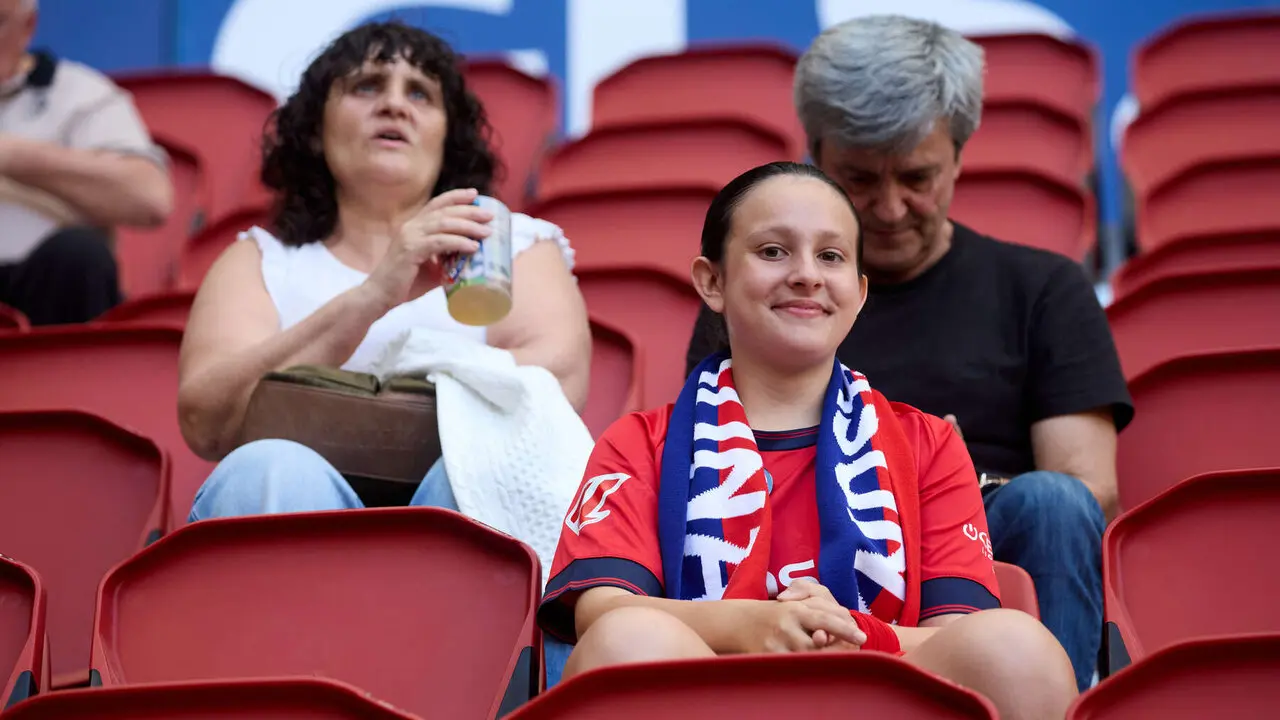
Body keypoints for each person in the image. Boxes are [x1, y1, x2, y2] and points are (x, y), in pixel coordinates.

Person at [685, 15, 1131, 690]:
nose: (890, 209)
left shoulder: (1043, 287)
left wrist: (939, 483)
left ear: (960, 156)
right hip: (794, 535)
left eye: (917, 177)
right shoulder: (764, 297)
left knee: (1053, 504)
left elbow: (1088, 487)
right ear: (815, 156)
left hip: (975, 534)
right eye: (859, 180)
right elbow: (708, 460)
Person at [542, 162, 1077, 720]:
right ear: (712, 282)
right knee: (626, 638)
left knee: (1017, 646)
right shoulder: (638, 442)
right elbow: (602, 612)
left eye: (831, 256)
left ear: (859, 293)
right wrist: (751, 625)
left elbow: (959, 635)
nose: (806, 275)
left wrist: (852, 633)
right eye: (773, 251)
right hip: (712, 702)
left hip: (881, 701)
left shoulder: (929, 443)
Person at [178, 21, 591, 520]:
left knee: (473, 472)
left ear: (446, 138)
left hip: (455, 500)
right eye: (366, 86)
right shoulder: (262, 260)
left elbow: (555, 390)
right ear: (315, 132)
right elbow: (207, 422)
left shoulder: (509, 244)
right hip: (297, 505)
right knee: (267, 468)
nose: (394, 105)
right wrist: (373, 296)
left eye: (420, 93)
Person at [0, 0, 172, 325]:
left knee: (79, 254)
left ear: (28, 27)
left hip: (45, 288)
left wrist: (15, 157)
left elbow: (150, 197)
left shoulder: (79, 94)